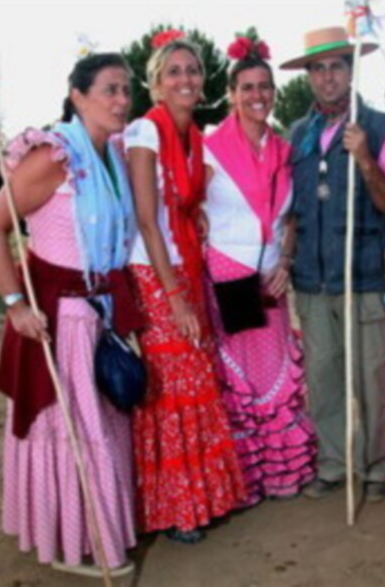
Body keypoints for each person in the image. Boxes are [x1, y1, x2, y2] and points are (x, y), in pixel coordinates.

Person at [0, 53, 140, 577]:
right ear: (78, 96)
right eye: (110, 90)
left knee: (103, 427)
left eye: (126, 90)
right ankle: (71, 541)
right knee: (68, 428)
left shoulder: (113, 154)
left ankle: (101, 530)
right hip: (58, 318)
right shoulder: (53, 155)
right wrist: (15, 305)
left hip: (101, 313)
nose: (121, 100)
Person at [124, 31, 245, 544]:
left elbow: (194, 209)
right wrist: (174, 297)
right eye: (173, 72)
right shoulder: (144, 133)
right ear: (155, 84)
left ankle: (202, 497)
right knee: (173, 388)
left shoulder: (196, 136)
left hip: (185, 267)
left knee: (195, 383)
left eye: (192, 70)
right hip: (157, 274)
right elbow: (148, 221)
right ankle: (175, 509)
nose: (185, 79)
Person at [280, 26, 385, 502]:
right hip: (312, 280)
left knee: (370, 376)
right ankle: (334, 464)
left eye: (337, 66)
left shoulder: (381, 126)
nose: (328, 77)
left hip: (365, 276)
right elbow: (290, 210)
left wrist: (365, 158)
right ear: (309, 77)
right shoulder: (297, 134)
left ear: (351, 71)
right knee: (324, 379)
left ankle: (374, 468)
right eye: (319, 68)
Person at [202, 30, 316, 507]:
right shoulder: (209, 149)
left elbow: (290, 216)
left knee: (273, 373)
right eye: (246, 87)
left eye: (263, 86)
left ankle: (281, 471)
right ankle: (247, 477)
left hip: (271, 275)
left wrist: (286, 260)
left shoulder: (282, 149)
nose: (257, 95)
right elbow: (184, 207)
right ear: (230, 94)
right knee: (242, 380)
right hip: (229, 274)